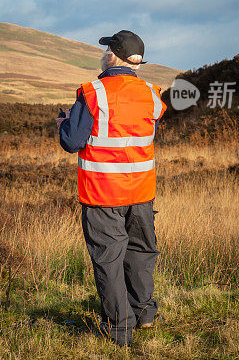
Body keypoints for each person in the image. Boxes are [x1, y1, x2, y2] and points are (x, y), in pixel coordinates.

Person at [56, 30, 166, 347]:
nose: (103, 54)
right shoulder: (152, 94)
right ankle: (144, 314)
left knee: (109, 259)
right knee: (142, 253)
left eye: (106, 50)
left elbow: (72, 141)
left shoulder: (94, 93)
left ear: (113, 56)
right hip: (142, 191)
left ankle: (119, 329)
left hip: (103, 193)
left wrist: (64, 120)